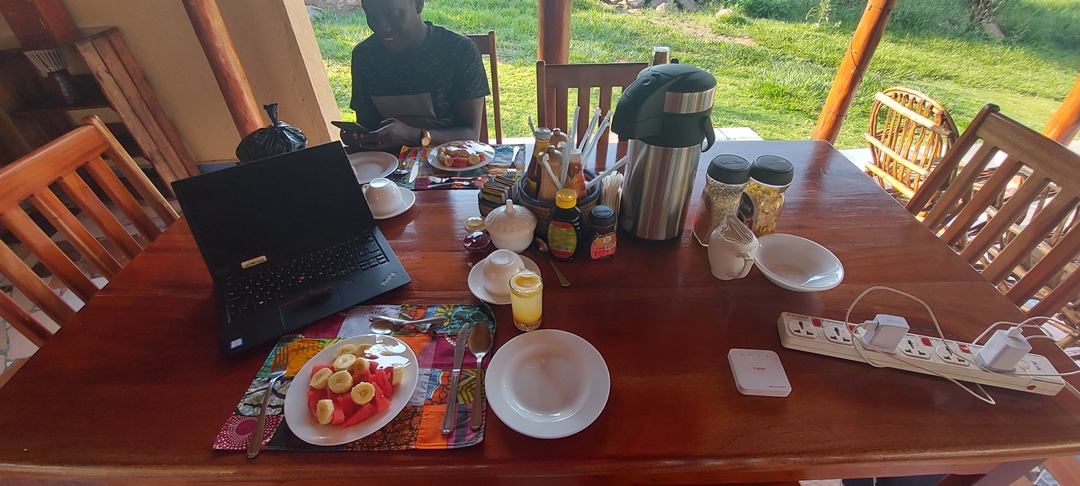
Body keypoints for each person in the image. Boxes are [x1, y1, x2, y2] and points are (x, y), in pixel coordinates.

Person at [344, 0, 490, 152]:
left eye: (393, 14)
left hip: (450, 161)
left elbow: (471, 135)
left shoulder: (457, 51)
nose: (382, 26)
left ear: (418, 4)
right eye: (372, 16)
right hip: (387, 164)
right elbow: (368, 124)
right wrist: (360, 137)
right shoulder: (365, 56)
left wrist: (416, 136)